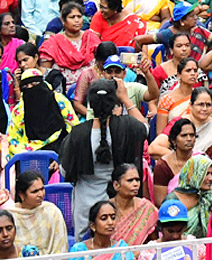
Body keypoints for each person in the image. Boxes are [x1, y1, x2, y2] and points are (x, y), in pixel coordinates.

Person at [61, 78, 147, 237]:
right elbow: (145, 129)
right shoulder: (127, 126)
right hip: (119, 200)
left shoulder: (78, 133)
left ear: (90, 104)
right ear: (115, 101)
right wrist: (126, 99)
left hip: (84, 204)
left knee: (85, 249)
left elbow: (65, 172)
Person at [6, 171, 66, 257]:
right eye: (35, 191)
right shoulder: (10, 215)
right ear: (21, 195)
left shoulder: (52, 211)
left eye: (42, 189)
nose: (41, 194)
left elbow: (60, 247)